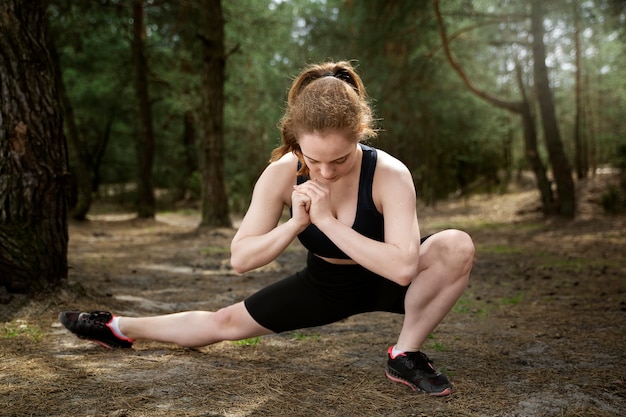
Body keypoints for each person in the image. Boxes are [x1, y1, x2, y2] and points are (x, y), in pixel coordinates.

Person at [60, 61, 474, 397]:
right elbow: (241, 259)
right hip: (325, 285)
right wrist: (295, 223)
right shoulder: (281, 173)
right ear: (296, 140)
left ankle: (405, 354)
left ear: (360, 134)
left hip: (391, 282)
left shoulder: (389, 173)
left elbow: (403, 268)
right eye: (313, 160)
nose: (325, 173)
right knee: (223, 323)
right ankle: (118, 327)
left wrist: (326, 221)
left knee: (455, 245)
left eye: (341, 160)